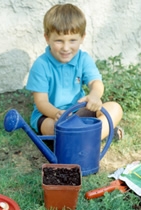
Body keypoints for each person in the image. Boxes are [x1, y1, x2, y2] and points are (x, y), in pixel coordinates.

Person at [26, 3, 123, 140]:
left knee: (114, 108)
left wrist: (94, 95)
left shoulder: (83, 59)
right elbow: (41, 102)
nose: (66, 48)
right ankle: (96, 134)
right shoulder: (41, 65)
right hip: (53, 115)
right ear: (47, 38)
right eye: (59, 41)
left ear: (82, 37)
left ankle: (84, 137)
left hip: (80, 112)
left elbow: (95, 82)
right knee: (51, 127)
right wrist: (57, 113)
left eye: (72, 40)